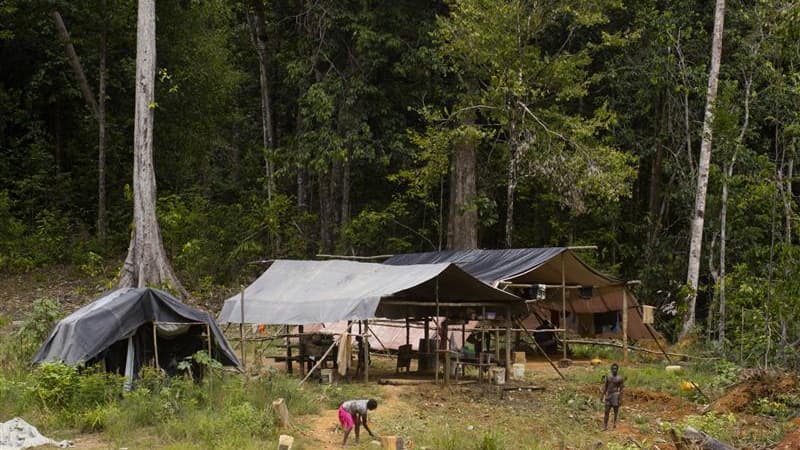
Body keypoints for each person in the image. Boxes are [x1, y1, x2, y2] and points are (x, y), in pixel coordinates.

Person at [601, 363, 624, 430]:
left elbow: (622, 389)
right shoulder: (608, 376)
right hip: (608, 395)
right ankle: (605, 426)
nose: (614, 370)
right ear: (611, 369)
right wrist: (602, 395)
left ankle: (614, 425)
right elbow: (605, 386)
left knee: (615, 412)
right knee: (606, 411)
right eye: (613, 368)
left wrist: (620, 399)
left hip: (615, 395)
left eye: (616, 369)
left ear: (617, 369)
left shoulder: (620, 378)